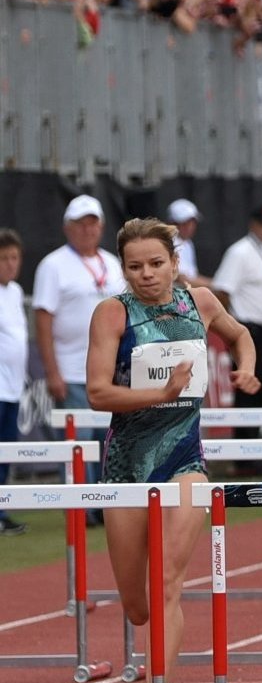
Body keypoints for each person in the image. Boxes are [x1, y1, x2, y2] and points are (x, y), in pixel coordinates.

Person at [84, 217, 258, 683]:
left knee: (167, 584)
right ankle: (149, 665)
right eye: (135, 266)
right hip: (126, 465)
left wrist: (246, 367)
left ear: (174, 263)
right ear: (124, 268)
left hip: (185, 459)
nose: (146, 274)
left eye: (156, 263)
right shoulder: (112, 313)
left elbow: (241, 332)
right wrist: (158, 396)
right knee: (137, 606)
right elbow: (96, 393)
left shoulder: (199, 302)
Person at [33, 195, 126, 523]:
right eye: (81, 223)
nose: (87, 229)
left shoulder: (112, 264)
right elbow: (43, 319)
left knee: (108, 442)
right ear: (67, 227)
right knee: (77, 444)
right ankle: (81, 508)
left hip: (110, 372)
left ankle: (106, 507)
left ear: (101, 226)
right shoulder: (53, 265)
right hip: (72, 371)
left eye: (93, 222)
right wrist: (52, 371)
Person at [210, 202, 262, 453]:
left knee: (261, 392)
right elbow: (222, 290)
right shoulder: (240, 252)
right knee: (247, 392)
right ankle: (244, 455)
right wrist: (232, 325)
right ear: (253, 225)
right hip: (248, 332)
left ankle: (255, 450)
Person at [0, 229, 26, 535]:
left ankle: (3, 510)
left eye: (14, 257)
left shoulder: (16, 291)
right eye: (4, 258)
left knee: (6, 452)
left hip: (13, 388)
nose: (10, 264)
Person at [165, 198, 211, 289]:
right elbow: (182, 279)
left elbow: (192, 276)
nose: (189, 227)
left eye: (192, 222)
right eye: (184, 223)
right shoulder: (168, 243)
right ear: (172, 223)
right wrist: (219, 286)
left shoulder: (188, 243)